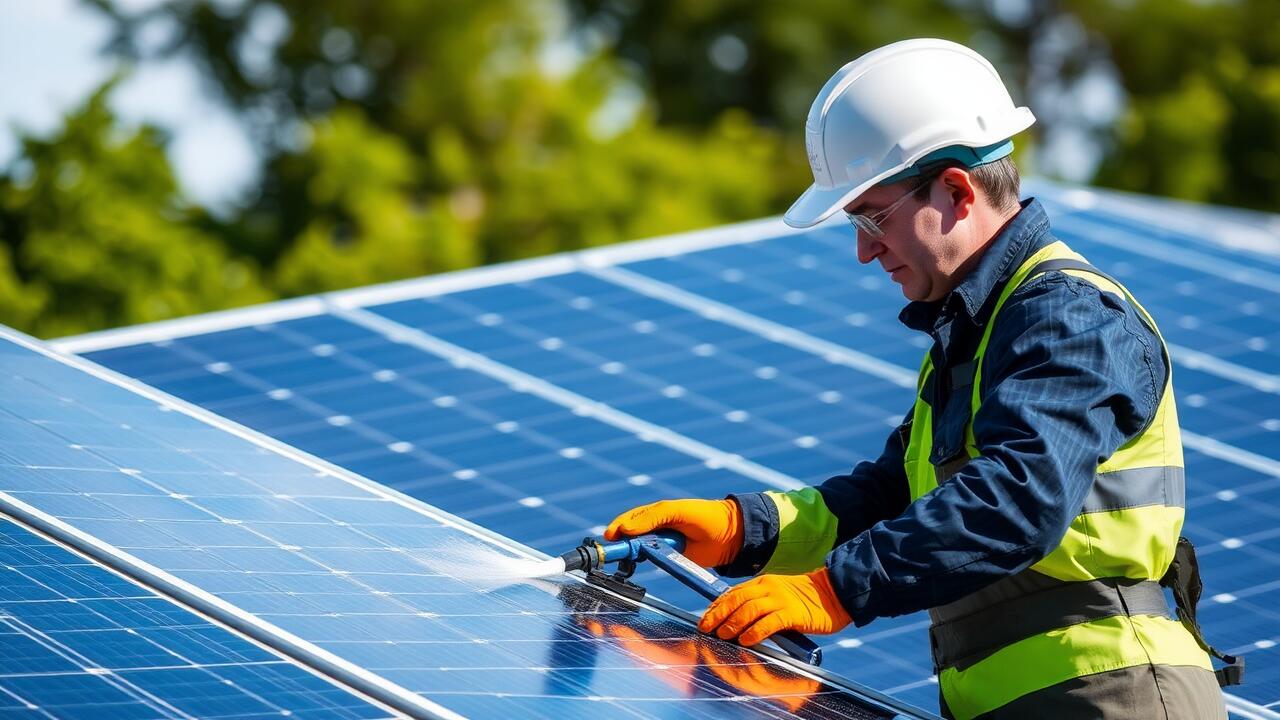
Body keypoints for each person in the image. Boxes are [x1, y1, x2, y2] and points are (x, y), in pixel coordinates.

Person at [603, 38, 1238, 719]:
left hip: (1115, 698)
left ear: (958, 190)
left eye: (872, 216)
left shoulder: (1070, 318)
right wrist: (745, 529)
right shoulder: (979, 333)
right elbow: (889, 496)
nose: (863, 250)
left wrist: (832, 591)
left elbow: (1015, 501)